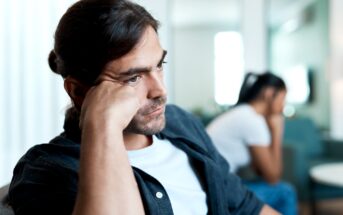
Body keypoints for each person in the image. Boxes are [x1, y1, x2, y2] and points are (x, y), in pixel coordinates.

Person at [8, 1, 279, 214]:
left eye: (159, 65)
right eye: (133, 77)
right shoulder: (46, 170)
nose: (160, 90)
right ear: (79, 91)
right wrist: (103, 125)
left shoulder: (181, 122)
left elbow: (245, 206)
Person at [207, 72, 297, 215]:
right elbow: (273, 177)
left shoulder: (243, 113)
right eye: (283, 97)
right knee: (285, 191)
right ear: (269, 94)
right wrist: (277, 132)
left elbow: (259, 170)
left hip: (214, 185)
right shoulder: (252, 120)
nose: (283, 104)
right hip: (217, 192)